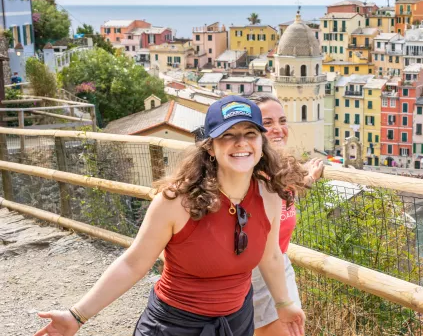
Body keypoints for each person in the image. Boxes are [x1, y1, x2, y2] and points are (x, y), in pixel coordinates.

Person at [34, 95, 307, 336]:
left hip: (237, 322)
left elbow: (271, 255)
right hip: (175, 325)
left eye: (250, 133)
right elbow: (134, 263)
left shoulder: (269, 195)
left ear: (261, 142)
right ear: (210, 147)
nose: (241, 143)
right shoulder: (177, 201)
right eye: (228, 135)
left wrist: (284, 304)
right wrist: (77, 315)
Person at [247, 93, 323, 336]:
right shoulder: (245, 173)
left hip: (277, 264)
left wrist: (309, 177)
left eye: (282, 120)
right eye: (267, 123)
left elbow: (285, 195)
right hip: (254, 273)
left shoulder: (279, 170)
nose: (278, 129)